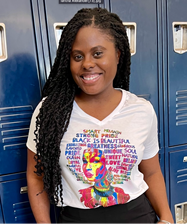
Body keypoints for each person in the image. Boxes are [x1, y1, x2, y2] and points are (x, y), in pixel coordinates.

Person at [26, 7, 174, 224]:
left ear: (117, 54)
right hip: (77, 218)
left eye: (97, 53)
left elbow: (151, 173)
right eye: (78, 56)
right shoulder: (49, 112)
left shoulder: (141, 110)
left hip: (137, 215)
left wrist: (167, 217)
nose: (86, 63)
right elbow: (36, 177)